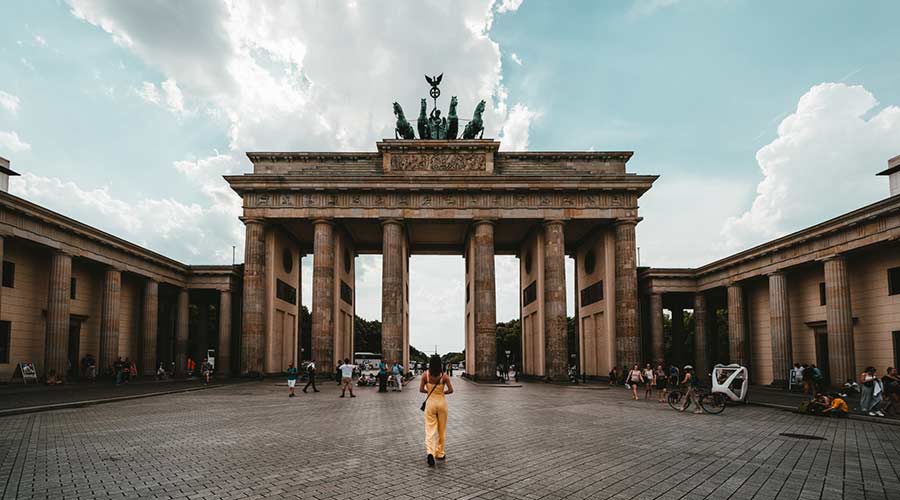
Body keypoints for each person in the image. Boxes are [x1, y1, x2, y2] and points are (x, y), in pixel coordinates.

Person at [419, 354, 454, 467]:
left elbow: (421, 390)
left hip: (430, 404)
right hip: (442, 404)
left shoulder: (425, 375)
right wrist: (441, 392)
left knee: (430, 429)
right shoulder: (444, 376)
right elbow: (451, 390)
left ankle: (430, 452)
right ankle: (440, 453)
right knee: (441, 430)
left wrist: (430, 392)